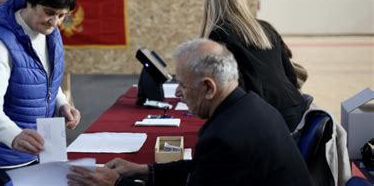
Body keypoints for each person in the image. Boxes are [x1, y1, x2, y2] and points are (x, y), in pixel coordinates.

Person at [67, 39, 313, 186]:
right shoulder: (251, 106)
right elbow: (202, 168)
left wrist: (118, 183)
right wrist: (142, 169)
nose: (178, 95)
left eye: (183, 86)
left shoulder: (226, 135)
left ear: (208, 87)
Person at [0, 0, 81, 186]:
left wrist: (62, 104)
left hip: (38, 148)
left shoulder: (51, 34)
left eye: (61, 15)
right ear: (31, 1)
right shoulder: (0, 44)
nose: (55, 22)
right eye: (49, 12)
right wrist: (14, 135)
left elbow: (47, 78)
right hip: (3, 154)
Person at [199, 0, 305, 132]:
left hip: (262, 116)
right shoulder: (266, 28)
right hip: (294, 109)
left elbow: (230, 85)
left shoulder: (219, 34)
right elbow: (290, 75)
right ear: (240, 1)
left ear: (210, 5)